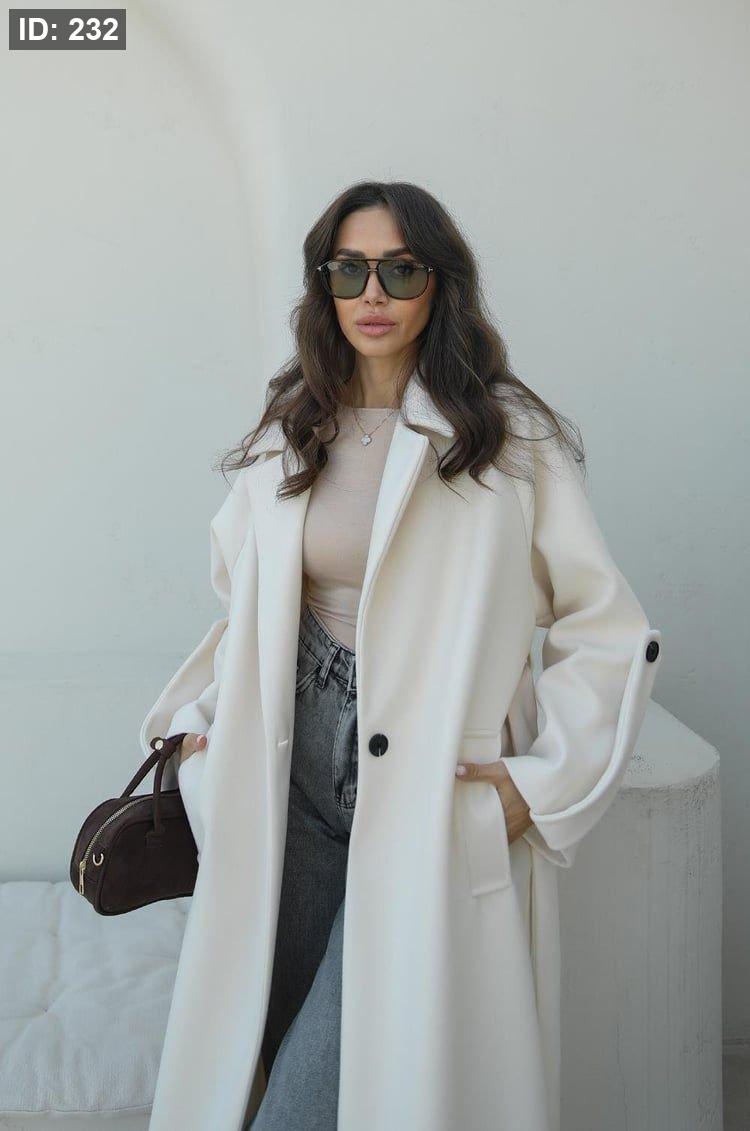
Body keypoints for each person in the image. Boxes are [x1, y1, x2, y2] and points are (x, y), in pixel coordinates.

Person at [141, 180, 663, 1131]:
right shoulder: (290, 431)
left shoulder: (507, 439)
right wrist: (196, 726)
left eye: (400, 269)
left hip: (428, 789)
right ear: (324, 286)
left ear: (438, 284)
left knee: (330, 1093)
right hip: (287, 780)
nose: (373, 292)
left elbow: (605, 623)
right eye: (349, 270)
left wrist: (540, 784)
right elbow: (246, 609)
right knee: (267, 1051)